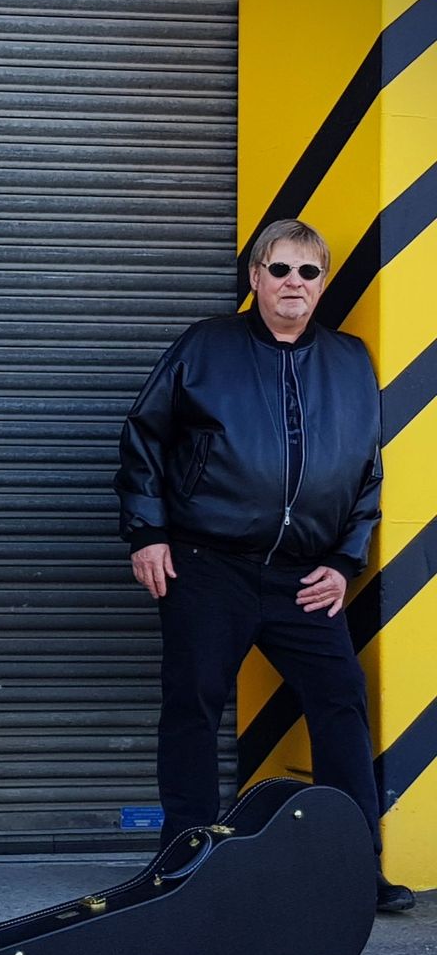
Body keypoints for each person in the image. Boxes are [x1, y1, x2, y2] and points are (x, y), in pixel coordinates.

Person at [115, 218, 415, 913]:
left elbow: (367, 472)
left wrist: (343, 560)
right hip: (206, 563)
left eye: (308, 272)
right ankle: (185, 861)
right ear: (255, 277)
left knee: (340, 700)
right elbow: (144, 437)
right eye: (279, 269)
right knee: (193, 705)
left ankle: (352, 866)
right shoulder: (206, 346)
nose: (293, 284)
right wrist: (147, 532)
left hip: (303, 575)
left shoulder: (350, 360)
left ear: (323, 284)